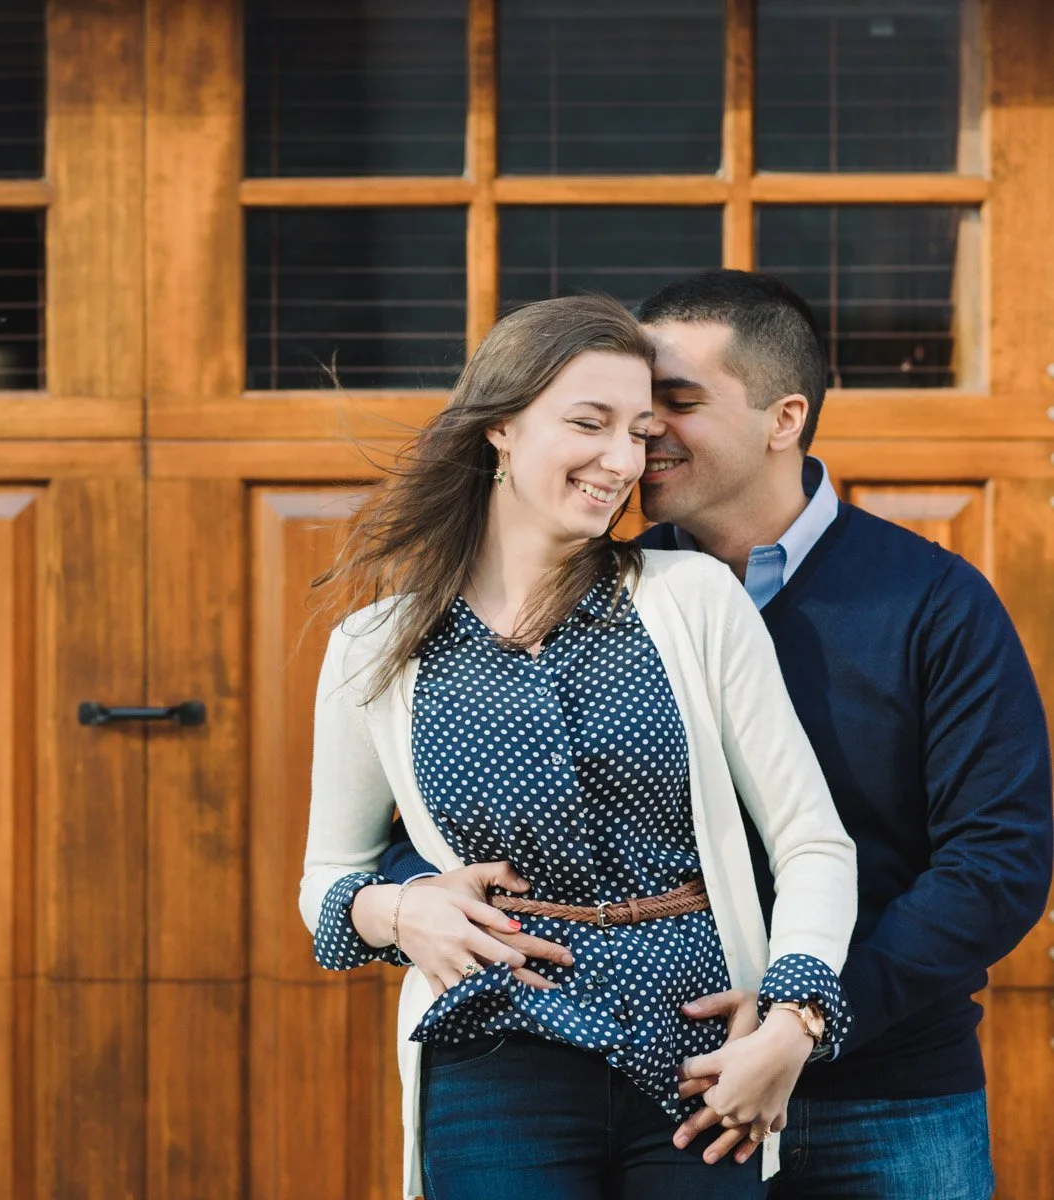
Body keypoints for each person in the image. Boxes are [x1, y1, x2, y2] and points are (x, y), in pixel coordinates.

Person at [379, 271, 1053, 1200]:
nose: (642, 431)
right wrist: (404, 899)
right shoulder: (595, 596)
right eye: (625, 409)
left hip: (888, 1098)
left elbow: (997, 862)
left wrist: (807, 1016)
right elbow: (434, 808)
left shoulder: (933, 601)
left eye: (676, 402)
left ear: (784, 419)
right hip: (668, 1089)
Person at [299, 293, 857, 1200]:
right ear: (501, 431)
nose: (622, 460)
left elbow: (812, 843)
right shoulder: (379, 646)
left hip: (701, 1059)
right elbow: (327, 874)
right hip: (494, 1057)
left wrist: (790, 1025)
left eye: (638, 431)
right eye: (588, 424)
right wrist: (400, 914)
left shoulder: (692, 603)